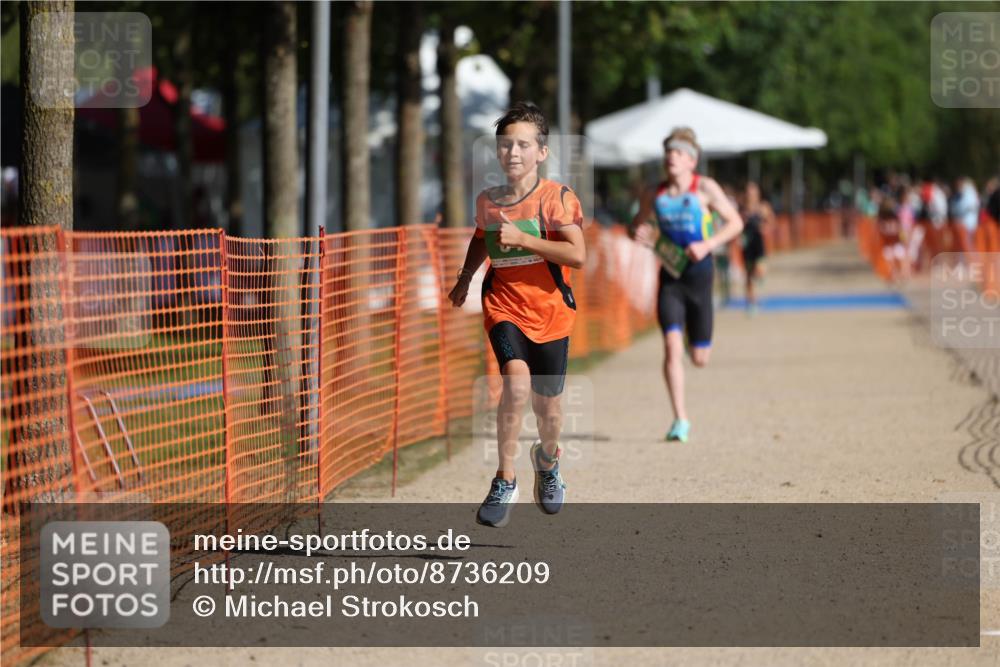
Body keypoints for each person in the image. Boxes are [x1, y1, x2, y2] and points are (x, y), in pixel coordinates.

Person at [448, 101, 586, 527]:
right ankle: (504, 478)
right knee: (516, 384)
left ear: (541, 153)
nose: (513, 153)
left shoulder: (556, 199)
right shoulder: (489, 202)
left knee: (550, 412)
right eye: (505, 145)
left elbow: (577, 255)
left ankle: (547, 463)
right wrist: (466, 278)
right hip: (504, 306)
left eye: (523, 145)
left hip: (552, 314)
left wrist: (525, 241)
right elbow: (480, 237)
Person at [628, 127, 743, 443]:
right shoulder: (655, 193)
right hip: (671, 280)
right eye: (668, 152)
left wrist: (708, 245)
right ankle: (680, 418)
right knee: (670, 347)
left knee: (699, 358)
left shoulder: (704, 188)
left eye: (678, 153)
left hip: (700, 278)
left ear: (692, 160)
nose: (671, 158)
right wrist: (637, 232)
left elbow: (736, 223)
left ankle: (696, 335)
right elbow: (636, 224)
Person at [739, 181, 774, 313]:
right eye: (748, 193)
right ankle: (751, 302)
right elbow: (736, 224)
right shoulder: (742, 209)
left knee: (758, 270)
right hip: (747, 245)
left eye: (753, 192)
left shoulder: (763, 207)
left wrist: (765, 228)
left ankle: (758, 276)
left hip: (759, 244)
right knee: (748, 276)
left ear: (757, 193)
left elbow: (771, 222)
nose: (750, 195)